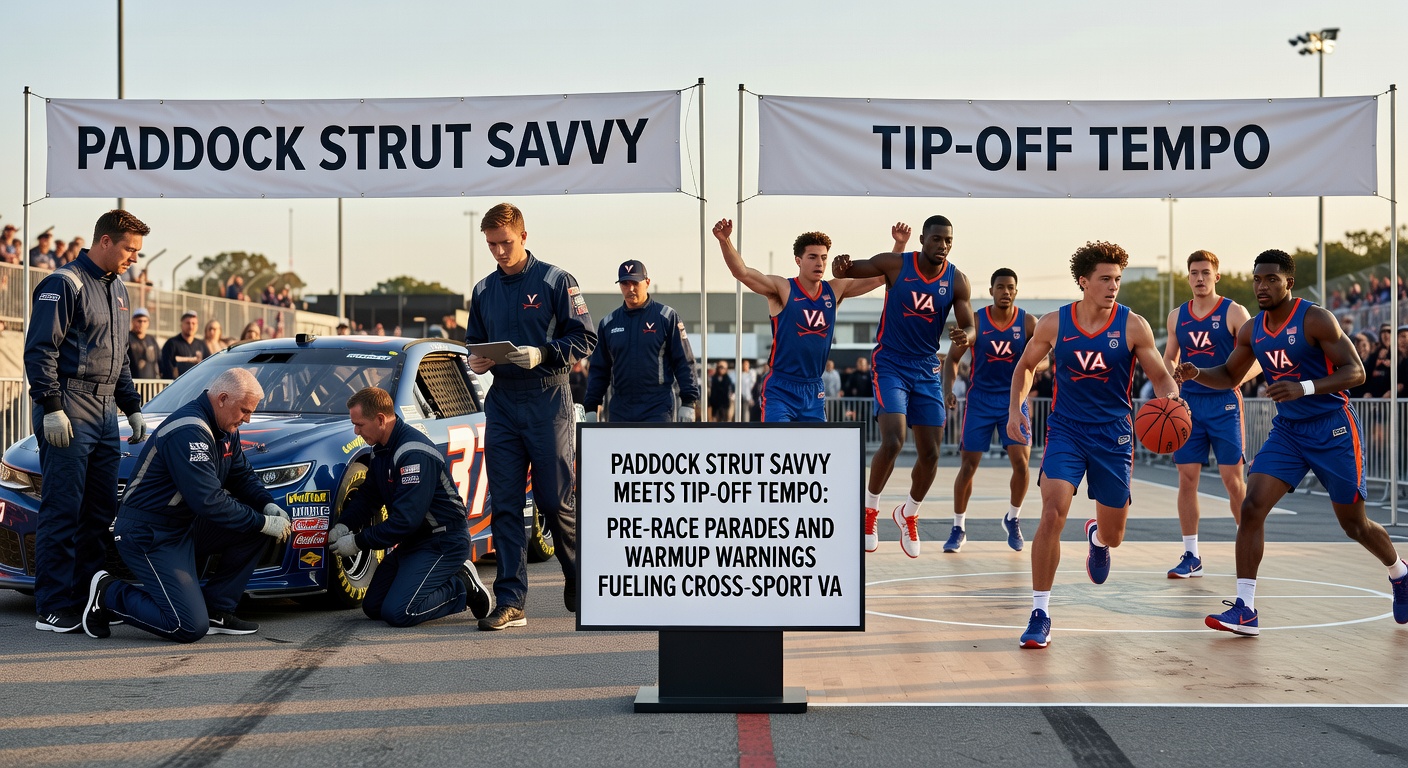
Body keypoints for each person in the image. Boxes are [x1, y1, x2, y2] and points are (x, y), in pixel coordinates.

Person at [1175, 249, 1408, 636]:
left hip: (1332, 428)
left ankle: (1399, 573)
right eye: (1256, 279)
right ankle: (1246, 608)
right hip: (1289, 432)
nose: (1261, 286)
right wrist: (1197, 372)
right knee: (1252, 506)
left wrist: (1305, 387)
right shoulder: (1252, 329)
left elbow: (1357, 372)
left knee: (1354, 525)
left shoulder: (1315, 318)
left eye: (1270, 279)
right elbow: (1230, 375)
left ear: (1288, 282)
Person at [1006, 241, 1180, 649]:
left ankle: (1098, 539)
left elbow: (1160, 375)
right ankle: (1040, 612)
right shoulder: (1054, 323)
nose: (1113, 286)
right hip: (1066, 430)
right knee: (1052, 511)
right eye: (1105, 279)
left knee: (1115, 533)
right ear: (1083, 282)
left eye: (1117, 279)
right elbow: (1026, 367)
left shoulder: (1133, 325)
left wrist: (1170, 397)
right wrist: (1016, 409)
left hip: (1113, 435)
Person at [79, 369, 291, 641]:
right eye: (244, 410)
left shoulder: (224, 427)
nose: (247, 419)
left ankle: (217, 609)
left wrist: (266, 505)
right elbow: (209, 501)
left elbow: (241, 475)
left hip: (181, 525)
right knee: (187, 626)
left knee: (255, 527)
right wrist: (263, 521)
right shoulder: (189, 430)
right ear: (223, 398)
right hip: (148, 532)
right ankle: (108, 592)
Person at [465, 202, 595, 631]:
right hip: (502, 400)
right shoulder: (483, 289)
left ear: (524, 236)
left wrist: (544, 352)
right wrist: (478, 360)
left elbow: (585, 337)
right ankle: (510, 599)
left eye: (505, 243)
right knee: (503, 504)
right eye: (491, 245)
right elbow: (474, 342)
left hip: (548, 398)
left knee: (555, 501)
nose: (499, 252)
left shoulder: (558, 280)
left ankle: (578, 578)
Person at [23, 210, 151, 633]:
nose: (135, 256)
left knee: (98, 514)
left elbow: (121, 359)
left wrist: (131, 406)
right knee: (63, 510)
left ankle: (86, 598)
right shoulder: (64, 283)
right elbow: (41, 351)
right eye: (130, 248)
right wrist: (51, 405)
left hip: (104, 411)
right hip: (68, 405)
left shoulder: (119, 291)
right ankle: (54, 606)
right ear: (105, 242)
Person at [832, 215, 975, 558]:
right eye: (937, 239)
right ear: (923, 239)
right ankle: (869, 511)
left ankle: (908, 512)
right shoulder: (896, 265)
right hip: (891, 362)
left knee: (931, 453)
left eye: (948, 241)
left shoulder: (958, 281)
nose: (943, 245)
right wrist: (840, 266)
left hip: (926, 368)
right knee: (894, 439)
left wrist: (963, 336)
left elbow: (970, 326)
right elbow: (850, 271)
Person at [327, 387, 492, 626]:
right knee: (373, 607)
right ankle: (440, 579)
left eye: (360, 425)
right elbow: (368, 498)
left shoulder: (413, 453)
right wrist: (344, 525)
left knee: (400, 612)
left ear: (381, 420)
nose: (356, 431)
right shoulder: (381, 450)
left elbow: (405, 521)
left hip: (443, 541)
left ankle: (462, 587)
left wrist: (357, 542)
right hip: (415, 540)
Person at [713, 219, 890, 423]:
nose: (820, 263)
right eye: (813, 257)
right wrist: (724, 241)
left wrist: (900, 245)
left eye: (823, 257)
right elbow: (742, 272)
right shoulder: (784, 289)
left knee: (815, 452)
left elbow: (880, 278)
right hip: (781, 387)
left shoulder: (834, 289)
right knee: (780, 448)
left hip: (813, 388)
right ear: (798, 260)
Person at [1160, 250, 1259, 578]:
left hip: (1224, 404)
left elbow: (1257, 356)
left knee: (1233, 480)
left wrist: (1233, 379)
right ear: (1187, 277)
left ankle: (1246, 543)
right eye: (1193, 273)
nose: (1199, 278)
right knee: (1186, 478)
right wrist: (1170, 387)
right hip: (1190, 406)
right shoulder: (1177, 317)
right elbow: (1169, 358)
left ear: (1217, 276)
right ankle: (1191, 555)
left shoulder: (1233, 311)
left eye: (1205, 272)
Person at [943, 268, 1045, 554]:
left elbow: (1047, 359)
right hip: (980, 401)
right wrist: (948, 389)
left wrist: (1032, 366)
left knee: (1021, 464)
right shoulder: (977, 321)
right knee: (968, 466)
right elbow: (952, 359)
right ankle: (958, 527)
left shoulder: (1028, 323)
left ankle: (1013, 518)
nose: (1006, 292)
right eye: (1000, 287)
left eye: (1011, 287)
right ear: (991, 291)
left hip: (1014, 401)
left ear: (1016, 290)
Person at [583, 260, 698, 423]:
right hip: (620, 409)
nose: (630, 289)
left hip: (658, 408)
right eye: (625, 283)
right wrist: (591, 406)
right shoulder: (609, 323)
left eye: (635, 283)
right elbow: (599, 370)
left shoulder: (666, 317)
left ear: (647, 282)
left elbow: (684, 361)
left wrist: (689, 401)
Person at [160, 310, 207, 378]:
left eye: (193, 323)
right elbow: (166, 367)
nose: (191, 326)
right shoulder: (171, 343)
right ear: (181, 325)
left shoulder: (201, 345)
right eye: (188, 323)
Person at [126, 307, 161, 380]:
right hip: (132, 384)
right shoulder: (127, 338)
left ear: (148, 323)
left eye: (145, 321)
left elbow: (160, 360)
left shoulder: (151, 339)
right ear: (133, 321)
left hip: (150, 384)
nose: (142, 324)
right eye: (139, 321)